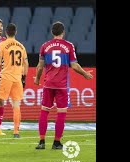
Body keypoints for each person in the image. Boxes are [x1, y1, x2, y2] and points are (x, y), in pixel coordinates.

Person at [34, 21, 93, 149]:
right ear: (63, 32)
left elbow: (40, 66)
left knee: (44, 111)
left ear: (52, 32)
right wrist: (84, 74)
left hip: (48, 83)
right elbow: (74, 65)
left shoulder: (45, 46)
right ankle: (56, 142)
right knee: (61, 112)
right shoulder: (69, 46)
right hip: (61, 85)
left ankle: (41, 142)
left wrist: (37, 79)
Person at [0, 23, 29, 138]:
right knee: (16, 105)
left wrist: (4, 70)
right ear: (15, 33)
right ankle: (16, 132)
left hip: (5, 77)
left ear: (6, 33)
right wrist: (23, 78)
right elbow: (26, 63)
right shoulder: (21, 46)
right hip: (17, 79)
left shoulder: (2, 44)